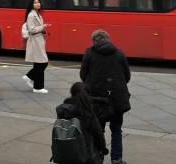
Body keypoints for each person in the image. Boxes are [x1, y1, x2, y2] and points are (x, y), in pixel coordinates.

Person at [80, 30, 131, 164]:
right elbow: (127, 76)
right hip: (117, 99)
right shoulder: (119, 54)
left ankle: (99, 155)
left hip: (98, 100)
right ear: (108, 39)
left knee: (98, 129)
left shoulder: (89, 54)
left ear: (94, 41)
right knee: (116, 130)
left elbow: (83, 75)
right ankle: (116, 159)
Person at [55, 82, 108, 164]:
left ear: (72, 93)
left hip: (66, 150)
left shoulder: (64, 109)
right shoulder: (87, 111)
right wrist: (103, 148)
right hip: (85, 153)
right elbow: (98, 133)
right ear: (87, 94)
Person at [23, 0, 50, 93]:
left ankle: (32, 80)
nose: (38, 4)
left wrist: (44, 29)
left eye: (38, 2)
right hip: (35, 42)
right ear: (32, 5)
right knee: (42, 63)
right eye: (35, 2)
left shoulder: (38, 14)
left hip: (39, 41)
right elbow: (31, 30)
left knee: (40, 63)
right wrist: (43, 27)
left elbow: (37, 29)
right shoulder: (31, 15)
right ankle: (38, 87)